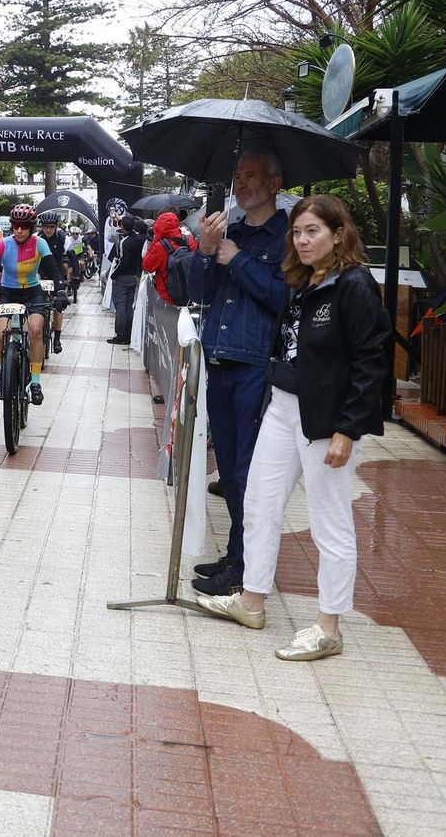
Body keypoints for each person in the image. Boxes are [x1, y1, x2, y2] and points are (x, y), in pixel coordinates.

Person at [195, 195, 389, 661]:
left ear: (338, 234)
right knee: (260, 503)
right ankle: (251, 600)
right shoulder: (301, 279)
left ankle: (329, 627)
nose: (302, 241)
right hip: (282, 405)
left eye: (312, 231)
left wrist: (348, 429)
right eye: (297, 232)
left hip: (325, 416)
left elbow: (372, 360)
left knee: (329, 520)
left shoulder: (354, 284)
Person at [184, 150, 290, 597]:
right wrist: (207, 251)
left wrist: (239, 260)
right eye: (237, 176)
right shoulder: (230, 233)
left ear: (274, 184)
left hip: (256, 366)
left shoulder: (288, 238)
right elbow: (198, 292)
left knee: (249, 473)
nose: (241, 184)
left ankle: (245, 571)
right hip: (219, 359)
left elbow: (284, 299)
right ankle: (236, 553)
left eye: (251, 176)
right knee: (228, 471)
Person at [0, 203, 67, 404]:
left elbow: (54, 270)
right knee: (1, 335)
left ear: (31, 228)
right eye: (15, 225)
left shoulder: (40, 243)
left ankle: (35, 382)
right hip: (9, 293)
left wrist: (60, 290)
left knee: (35, 329)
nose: (19, 230)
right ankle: (3, 369)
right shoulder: (4, 244)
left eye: (24, 226)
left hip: (33, 292)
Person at [36, 211, 75, 354]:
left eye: (51, 227)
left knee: (58, 306)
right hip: (39, 272)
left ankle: (57, 339)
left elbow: (73, 257)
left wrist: (76, 275)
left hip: (56, 273)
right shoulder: (36, 237)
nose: (48, 230)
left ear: (56, 226)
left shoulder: (63, 238)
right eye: (45, 227)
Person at [107, 214, 149, 344]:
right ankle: (129, 334)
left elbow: (123, 261)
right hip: (134, 276)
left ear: (123, 227)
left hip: (123, 277)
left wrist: (114, 275)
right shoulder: (140, 240)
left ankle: (120, 334)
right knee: (129, 306)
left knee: (120, 306)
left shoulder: (124, 242)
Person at [142, 210, 194, 306]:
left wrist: (155, 240)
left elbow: (147, 266)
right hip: (190, 294)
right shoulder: (189, 239)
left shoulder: (160, 246)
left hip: (167, 297)